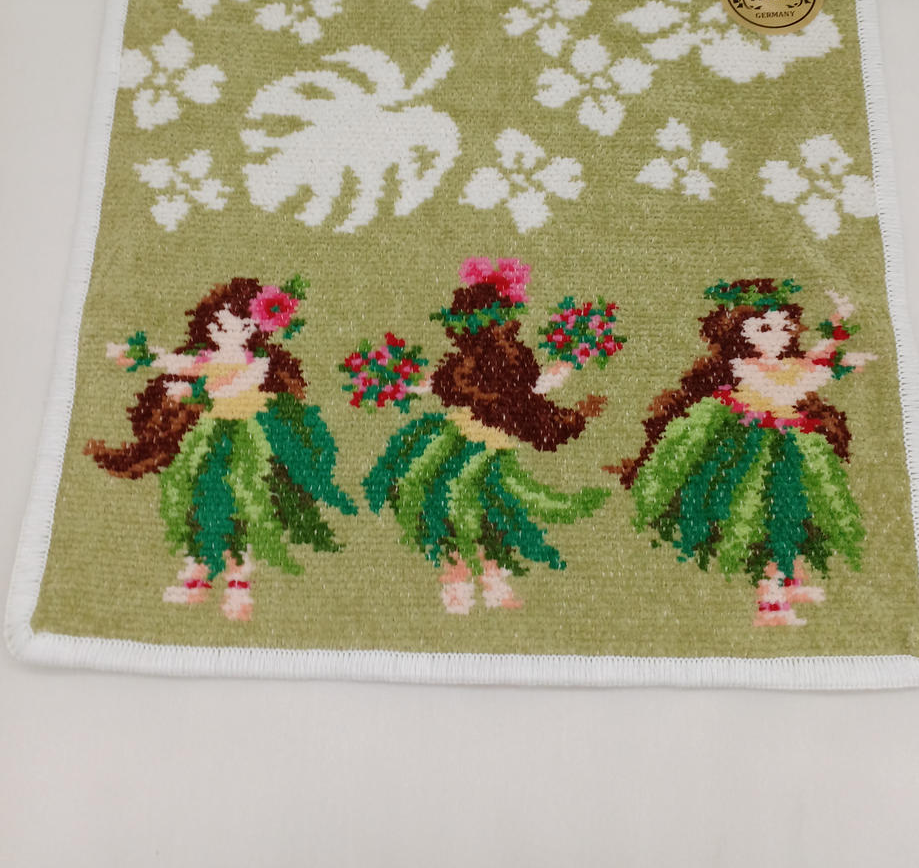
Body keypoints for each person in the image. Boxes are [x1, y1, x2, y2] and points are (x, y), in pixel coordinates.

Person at [85, 276, 356, 621]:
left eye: (233, 326)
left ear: (252, 329)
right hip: (210, 439)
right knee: (200, 507)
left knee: (240, 511)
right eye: (218, 324)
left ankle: (238, 587)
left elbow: (230, 385)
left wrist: (193, 391)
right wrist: (139, 356)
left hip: (249, 442)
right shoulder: (207, 356)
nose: (222, 331)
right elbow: (176, 363)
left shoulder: (256, 361)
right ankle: (197, 578)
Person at [612, 278, 873, 625]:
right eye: (764, 328)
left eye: (784, 328)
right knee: (765, 518)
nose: (777, 337)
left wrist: (839, 323)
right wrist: (834, 367)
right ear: (739, 333)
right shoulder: (745, 367)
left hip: (789, 443)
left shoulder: (786, 364)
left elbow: (813, 360)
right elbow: (791, 387)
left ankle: (788, 577)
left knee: (796, 514)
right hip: (750, 449)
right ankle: (769, 596)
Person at [362, 258, 610, 614]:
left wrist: (569, 367)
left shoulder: (513, 364)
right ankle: (461, 581)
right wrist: (397, 379)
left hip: (488, 450)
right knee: (456, 510)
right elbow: (443, 383)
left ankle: (485, 580)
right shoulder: (481, 365)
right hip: (459, 443)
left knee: (486, 515)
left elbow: (531, 389)